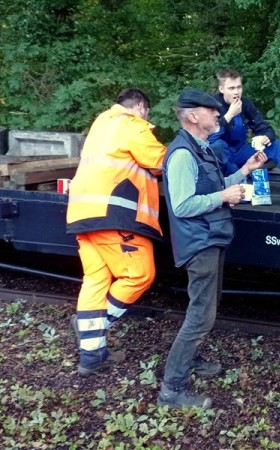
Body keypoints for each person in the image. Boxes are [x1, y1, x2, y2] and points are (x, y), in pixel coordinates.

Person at [157, 87, 267, 409]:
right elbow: (181, 205)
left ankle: (190, 359)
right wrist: (223, 198)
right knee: (200, 316)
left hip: (211, 238)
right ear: (194, 116)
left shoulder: (200, 149)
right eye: (212, 111)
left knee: (206, 308)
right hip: (199, 242)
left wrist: (245, 170)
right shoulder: (181, 155)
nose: (218, 114)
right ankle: (171, 390)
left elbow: (217, 185)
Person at [66, 88, 166, 377]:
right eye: (147, 112)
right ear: (139, 107)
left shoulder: (101, 124)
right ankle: (93, 326)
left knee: (95, 280)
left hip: (84, 214)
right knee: (139, 274)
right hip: (115, 216)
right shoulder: (131, 124)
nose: (147, 118)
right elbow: (160, 161)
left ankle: (92, 357)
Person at [208, 69, 280, 175]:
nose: (236, 92)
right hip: (218, 157)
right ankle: (238, 180)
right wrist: (229, 115)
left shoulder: (246, 104)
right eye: (231, 88)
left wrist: (266, 137)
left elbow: (264, 127)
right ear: (221, 89)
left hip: (239, 153)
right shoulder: (212, 105)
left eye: (239, 87)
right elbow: (207, 137)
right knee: (218, 146)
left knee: (277, 145)